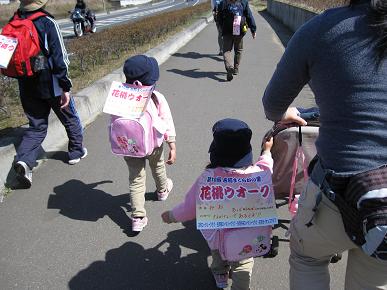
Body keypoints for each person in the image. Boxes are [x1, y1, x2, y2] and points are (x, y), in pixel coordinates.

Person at [262, 0, 387, 289]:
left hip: (336, 192)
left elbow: (272, 105)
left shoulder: (323, 29)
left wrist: (285, 114)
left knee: (308, 258)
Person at [162, 118, 274, 290]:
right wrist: (266, 151)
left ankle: (221, 276)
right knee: (243, 264)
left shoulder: (208, 179)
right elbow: (266, 166)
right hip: (248, 235)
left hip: (218, 236)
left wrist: (171, 216)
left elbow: (190, 208)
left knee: (219, 256)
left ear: (215, 152)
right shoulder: (259, 175)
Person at [13, 0, 87, 188]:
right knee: (68, 115)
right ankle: (76, 152)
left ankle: (24, 160)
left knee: (36, 126)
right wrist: (65, 86)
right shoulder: (47, 23)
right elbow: (59, 58)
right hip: (50, 83)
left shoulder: (14, 20)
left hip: (26, 84)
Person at [123, 55, 176, 232]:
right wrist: (172, 144)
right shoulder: (156, 97)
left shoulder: (120, 97)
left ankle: (138, 217)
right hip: (154, 144)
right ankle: (162, 190)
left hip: (129, 146)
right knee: (158, 167)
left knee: (136, 179)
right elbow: (166, 121)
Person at [216, 0, 256, 81]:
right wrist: (253, 29)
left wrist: (222, 27)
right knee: (238, 49)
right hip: (240, 29)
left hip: (227, 29)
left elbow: (219, 17)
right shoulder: (243, 2)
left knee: (227, 50)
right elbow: (249, 16)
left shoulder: (223, 3)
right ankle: (236, 68)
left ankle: (229, 67)